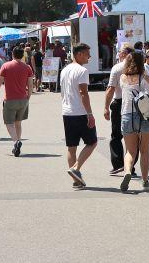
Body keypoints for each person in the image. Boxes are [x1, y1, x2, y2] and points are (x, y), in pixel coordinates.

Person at [118, 50, 149, 192]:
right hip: (144, 115)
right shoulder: (144, 77)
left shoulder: (123, 77)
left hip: (127, 115)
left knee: (130, 151)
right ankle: (145, 181)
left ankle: (128, 171)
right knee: (145, 150)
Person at [60, 43, 97, 189]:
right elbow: (83, 93)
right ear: (79, 54)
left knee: (71, 147)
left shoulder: (65, 70)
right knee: (92, 142)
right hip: (80, 112)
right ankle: (76, 168)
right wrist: (90, 114)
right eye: (87, 54)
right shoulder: (82, 70)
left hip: (67, 111)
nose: (89, 57)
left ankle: (76, 180)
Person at [0, 46, 35, 156]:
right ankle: (17, 145)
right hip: (23, 99)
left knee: (9, 123)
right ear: (23, 55)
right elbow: (30, 84)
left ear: (12, 54)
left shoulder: (6, 66)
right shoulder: (27, 67)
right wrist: (28, 96)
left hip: (10, 99)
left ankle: (16, 141)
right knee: (18, 123)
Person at [104, 44, 135, 175]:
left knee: (116, 135)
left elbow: (111, 88)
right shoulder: (138, 67)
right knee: (133, 136)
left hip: (119, 102)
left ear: (124, 54)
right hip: (134, 103)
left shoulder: (117, 68)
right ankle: (130, 167)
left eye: (120, 51)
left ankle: (118, 164)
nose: (118, 53)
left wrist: (106, 107)